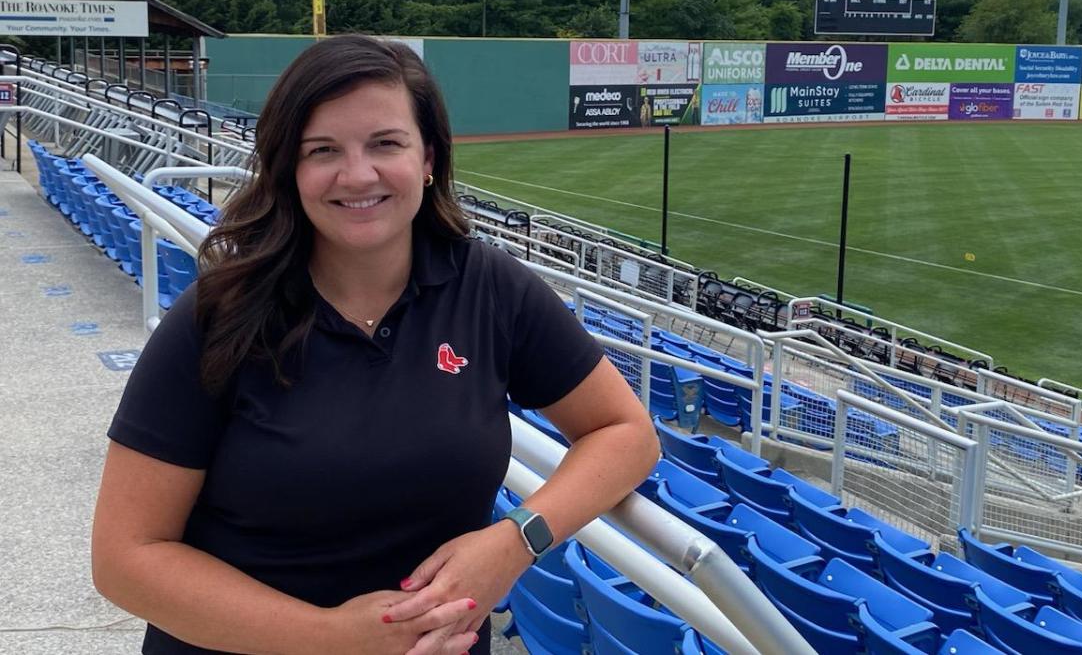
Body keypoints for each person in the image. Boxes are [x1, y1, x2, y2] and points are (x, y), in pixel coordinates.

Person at [91, 35, 660, 655]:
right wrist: (331, 637)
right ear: (290, 168)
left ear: (429, 158)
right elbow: (126, 557)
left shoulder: (490, 288)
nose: (357, 174)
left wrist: (516, 540)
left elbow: (626, 432)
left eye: (386, 143)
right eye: (323, 150)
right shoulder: (219, 316)